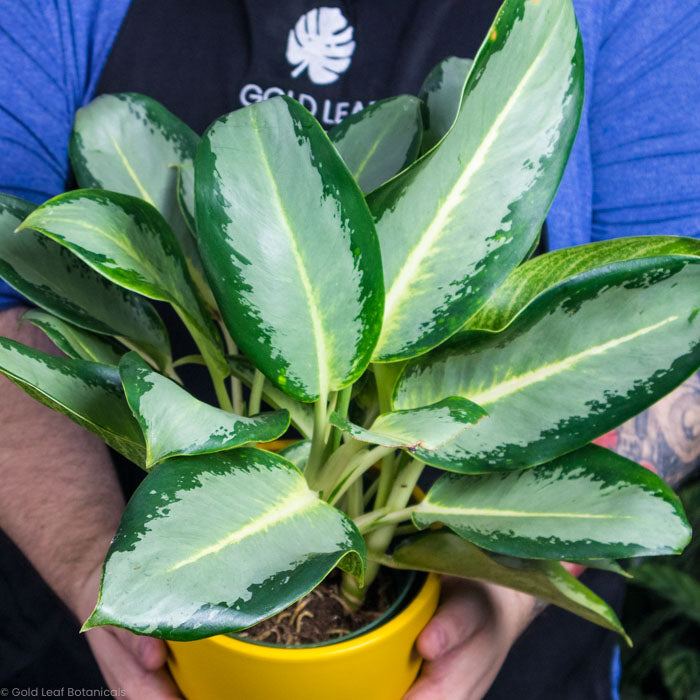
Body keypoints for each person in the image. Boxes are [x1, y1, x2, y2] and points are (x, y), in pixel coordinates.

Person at [0, 1, 698, 698]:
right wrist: (103, 571)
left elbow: (663, 321)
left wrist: (507, 595)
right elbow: (11, 306)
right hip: (88, 617)